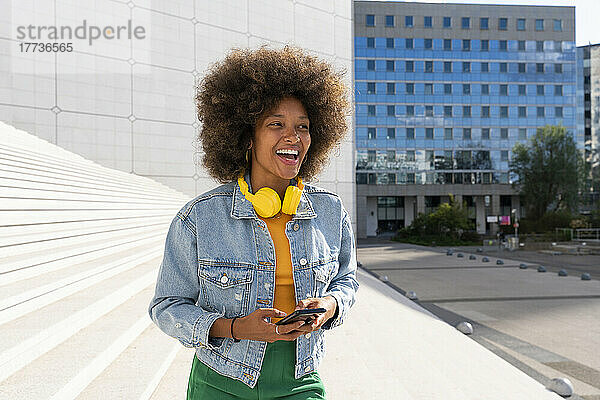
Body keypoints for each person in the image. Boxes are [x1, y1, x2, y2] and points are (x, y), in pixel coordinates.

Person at [148, 46, 359, 400]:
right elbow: (167, 306)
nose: (293, 137)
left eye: (303, 127)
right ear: (248, 136)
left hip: (299, 381)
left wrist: (331, 306)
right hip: (220, 382)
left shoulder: (330, 212)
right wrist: (232, 328)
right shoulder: (200, 218)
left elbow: (346, 280)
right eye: (276, 124)